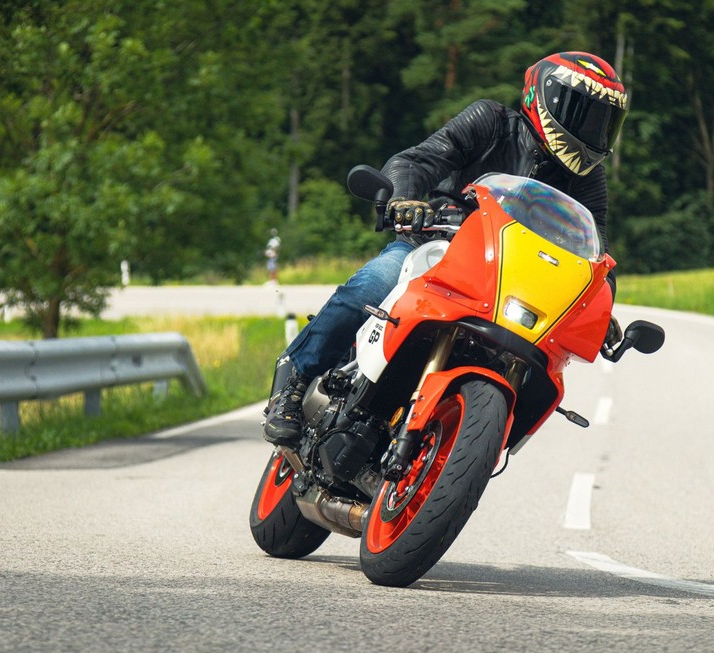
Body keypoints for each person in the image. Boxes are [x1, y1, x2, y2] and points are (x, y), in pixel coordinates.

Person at [263, 51, 629, 447]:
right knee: (377, 280)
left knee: (533, 357)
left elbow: (596, 249)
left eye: (602, 121)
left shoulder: (587, 181)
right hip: (437, 248)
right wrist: (403, 199)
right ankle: (294, 377)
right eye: (583, 113)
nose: (593, 129)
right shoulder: (491, 122)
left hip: (507, 283)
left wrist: (601, 302)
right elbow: (418, 160)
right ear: (544, 97)